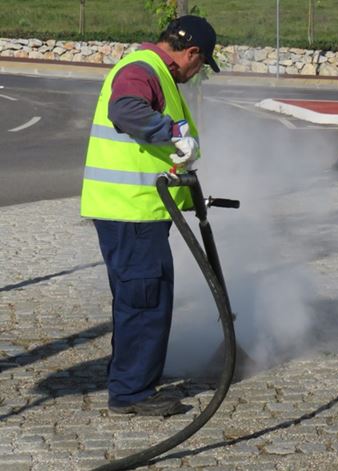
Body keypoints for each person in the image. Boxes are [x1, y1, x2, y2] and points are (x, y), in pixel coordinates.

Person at [80, 15, 220, 416]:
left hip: (135, 212)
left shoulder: (151, 71)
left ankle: (128, 377)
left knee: (137, 298)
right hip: (132, 213)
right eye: (201, 64)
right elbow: (125, 110)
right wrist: (173, 136)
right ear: (191, 53)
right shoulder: (143, 70)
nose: (197, 74)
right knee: (145, 299)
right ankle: (131, 392)